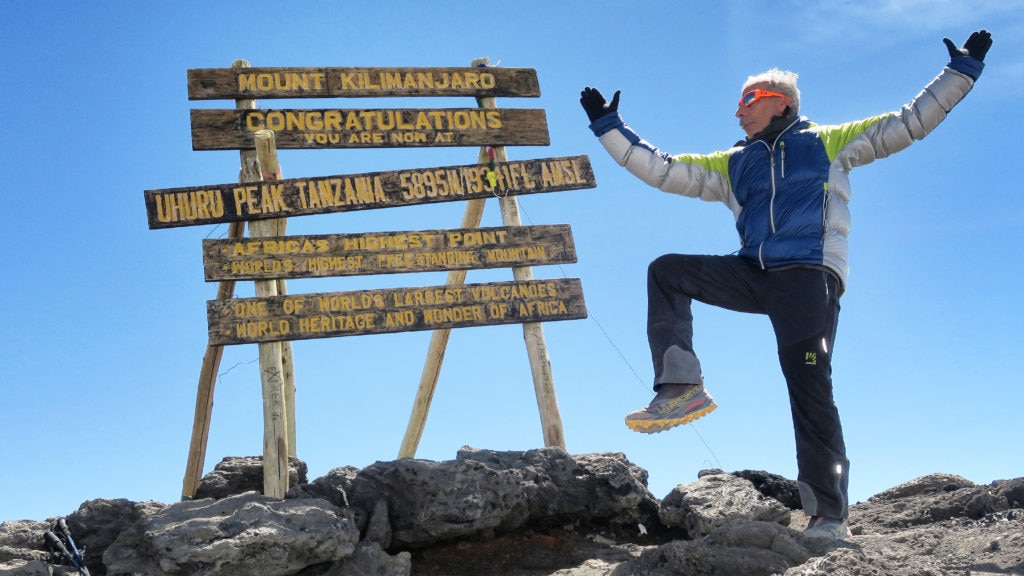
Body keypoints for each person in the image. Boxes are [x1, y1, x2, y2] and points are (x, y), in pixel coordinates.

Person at [580, 30, 992, 540]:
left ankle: (828, 516)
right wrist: (608, 126)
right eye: (737, 103)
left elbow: (906, 124)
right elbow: (665, 171)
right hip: (753, 274)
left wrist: (960, 73)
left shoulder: (827, 142)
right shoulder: (735, 161)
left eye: (748, 100)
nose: (738, 111)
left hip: (808, 280)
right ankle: (681, 387)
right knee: (667, 270)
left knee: (809, 389)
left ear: (783, 102)